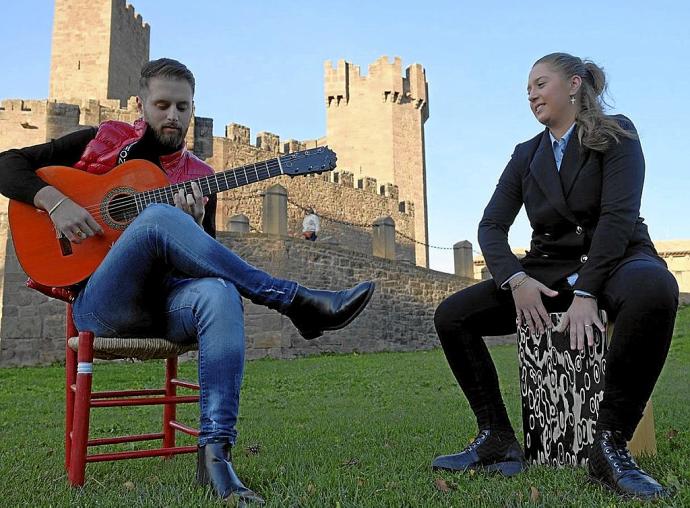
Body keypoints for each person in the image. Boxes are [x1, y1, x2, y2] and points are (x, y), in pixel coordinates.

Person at [0, 58, 375, 505]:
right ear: (142, 104)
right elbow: (6, 164)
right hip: (102, 305)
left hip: (167, 309)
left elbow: (208, 264)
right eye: (162, 104)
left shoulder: (200, 179)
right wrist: (57, 203)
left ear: (193, 108)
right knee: (158, 215)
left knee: (219, 290)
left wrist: (194, 226)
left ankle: (215, 456)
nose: (173, 116)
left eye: (183, 106)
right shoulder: (100, 142)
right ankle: (295, 301)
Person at [431, 53, 678, 500]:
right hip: (546, 271)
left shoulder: (617, 133)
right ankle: (496, 438)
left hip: (618, 257)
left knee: (655, 288)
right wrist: (516, 281)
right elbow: (491, 227)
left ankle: (610, 445)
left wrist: (587, 291)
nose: (531, 94)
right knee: (453, 315)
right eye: (527, 88)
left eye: (540, 83)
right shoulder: (526, 155)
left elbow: (617, 217)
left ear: (573, 85)